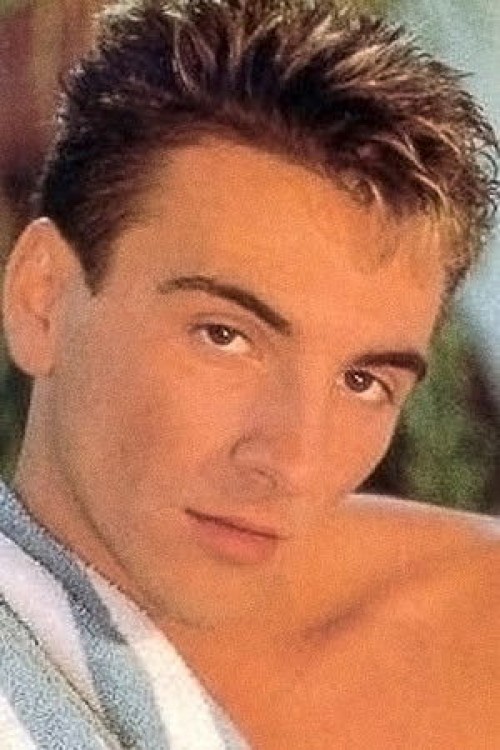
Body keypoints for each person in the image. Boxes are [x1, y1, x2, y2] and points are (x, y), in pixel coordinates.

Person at [0, 0, 499, 747]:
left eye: (363, 381)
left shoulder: (473, 637)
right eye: (225, 337)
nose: (292, 462)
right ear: (43, 300)